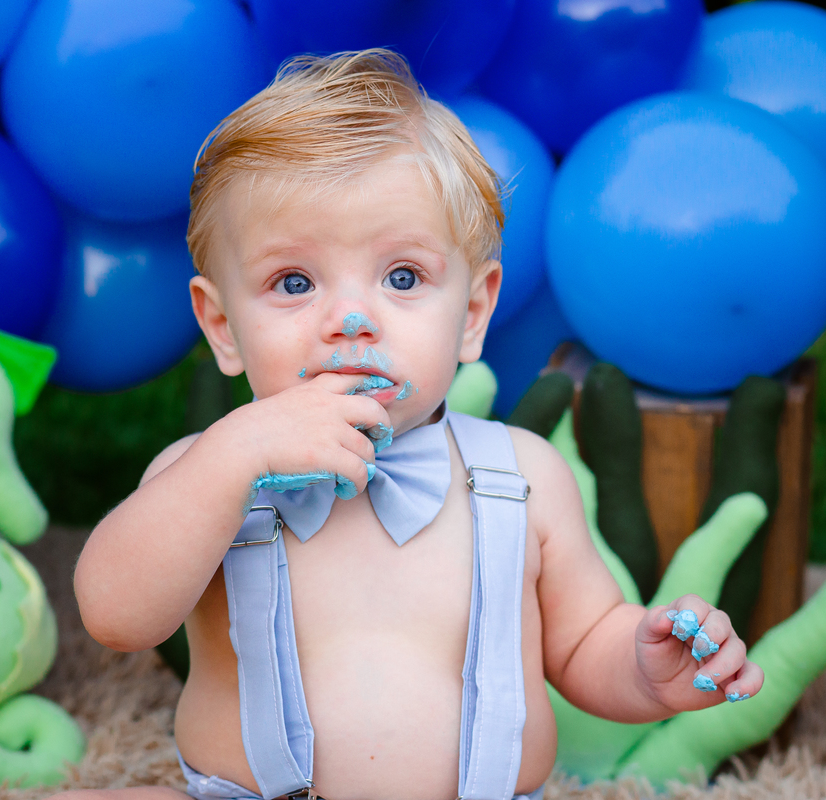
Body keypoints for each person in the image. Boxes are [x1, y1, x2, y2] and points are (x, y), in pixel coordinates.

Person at [61, 49, 763, 800]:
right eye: (294, 282)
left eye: (402, 277)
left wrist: (644, 669)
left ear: (473, 312)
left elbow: (583, 642)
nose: (350, 319)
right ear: (223, 326)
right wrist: (233, 456)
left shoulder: (522, 475)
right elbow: (115, 615)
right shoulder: (203, 473)